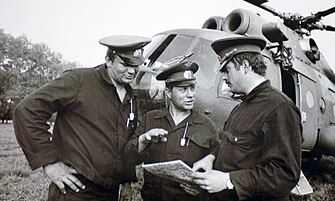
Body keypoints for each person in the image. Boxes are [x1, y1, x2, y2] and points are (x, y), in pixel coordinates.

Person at [13, 35, 150, 201]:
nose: (131, 71)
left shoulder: (131, 96)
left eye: (136, 65)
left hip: (110, 192)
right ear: (108, 59)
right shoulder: (79, 81)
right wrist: (50, 163)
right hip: (76, 191)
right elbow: (27, 110)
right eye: (125, 64)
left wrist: (126, 181)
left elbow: (126, 142)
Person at [190, 36, 302, 201]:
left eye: (227, 70)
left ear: (245, 66)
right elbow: (228, 145)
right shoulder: (240, 107)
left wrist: (228, 181)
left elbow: (285, 174)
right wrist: (211, 158)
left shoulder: (280, 108)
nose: (225, 78)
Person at [125, 61, 219, 201]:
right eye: (183, 89)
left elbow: (218, 160)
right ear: (168, 92)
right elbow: (128, 155)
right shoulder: (151, 119)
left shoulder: (206, 125)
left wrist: (202, 187)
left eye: (192, 88)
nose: (190, 95)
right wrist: (143, 140)